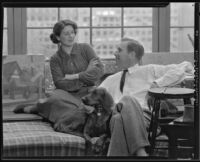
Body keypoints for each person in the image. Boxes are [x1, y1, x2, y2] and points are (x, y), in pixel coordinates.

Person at [99, 38, 194, 156]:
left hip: (144, 116)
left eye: (119, 50)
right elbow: (94, 97)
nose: (114, 53)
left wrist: (156, 84)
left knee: (126, 103)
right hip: (114, 116)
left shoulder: (150, 70)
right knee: (119, 114)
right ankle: (140, 152)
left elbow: (186, 66)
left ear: (132, 54)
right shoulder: (110, 80)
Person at [14, 19, 104, 136]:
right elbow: (60, 83)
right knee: (53, 98)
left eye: (72, 32)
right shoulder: (55, 59)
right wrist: (87, 73)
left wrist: (74, 76)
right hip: (66, 94)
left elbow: (99, 71)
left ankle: (38, 108)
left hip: (88, 92)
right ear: (58, 37)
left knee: (96, 104)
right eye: (66, 33)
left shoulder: (86, 48)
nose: (71, 36)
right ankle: (37, 108)